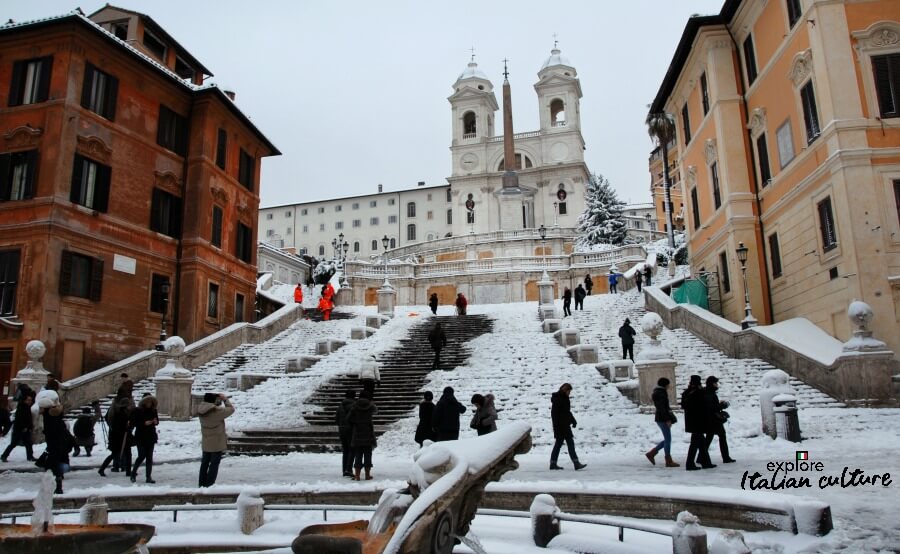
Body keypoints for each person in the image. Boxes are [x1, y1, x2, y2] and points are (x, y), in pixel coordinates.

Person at [38, 384, 70, 494]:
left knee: (51, 466)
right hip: (57, 445)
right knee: (53, 466)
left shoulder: (49, 418)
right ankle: (56, 484)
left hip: (54, 445)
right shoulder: (55, 416)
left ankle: (57, 486)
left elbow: (51, 432)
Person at [198, 393, 235, 487]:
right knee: (214, 464)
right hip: (216, 442)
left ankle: (201, 483)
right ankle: (209, 484)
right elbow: (231, 409)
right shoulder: (216, 412)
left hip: (206, 441)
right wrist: (225, 399)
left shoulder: (201, 409)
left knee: (204, 463)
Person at [98, 382, 135, 477]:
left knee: (122, 453)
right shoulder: (121, 413)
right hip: (120, 435)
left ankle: (127, 471)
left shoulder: (121, 410)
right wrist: (127, 427)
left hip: (120, 435)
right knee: (118, 453)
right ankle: (125, 470)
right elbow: (118, 423)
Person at [549, 383, 586, 470]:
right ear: (565, 390)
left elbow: (567, 412)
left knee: (559, 444)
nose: (569, 393)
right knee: (569, 443)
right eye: (569, 391)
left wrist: (573, 420)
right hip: (561, 426)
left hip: (564, 425)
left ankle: (553, 463)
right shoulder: (558, 399)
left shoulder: (563, 398)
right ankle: (576, 463)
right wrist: (558, 426)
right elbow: (554, 414)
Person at [681, 375, 714, 471]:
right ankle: (690, 463)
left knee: (702, 443)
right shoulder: (699, 393)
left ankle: (706, 462)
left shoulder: (687, 393)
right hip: (698, 421)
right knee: (695, 444)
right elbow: (704, 406)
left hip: (691, 421)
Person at [646, 378, 679, 467]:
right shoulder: (661, 394)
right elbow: (662, 408)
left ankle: (652, 453)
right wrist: (667, 419)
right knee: (668, 439)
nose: (669, 386)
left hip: (660, 418)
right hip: (662, 419)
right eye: (668, 384)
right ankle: (668, 460)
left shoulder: (659, 392)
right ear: (665, 385)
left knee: (667, 439)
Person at [703, 376, 735, 464]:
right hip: (713, 419)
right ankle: (725, 457)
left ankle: (701, 456)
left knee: (709, 437)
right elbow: (712, 408)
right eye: (715, 383)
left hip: (710, 419)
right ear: (712, 384)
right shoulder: (709, 393)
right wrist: (722, 405)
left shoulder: (708, 392)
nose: (717, 385)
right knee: (722, 436)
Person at [129, 395, 159, 483]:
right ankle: (133, 473)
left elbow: (157, 421)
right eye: (148, 402)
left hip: (151, 436)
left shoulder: (154, 411)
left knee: (149, 457)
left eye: (150, 402)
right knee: (141, 456)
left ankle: (148, 476)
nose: (149, 404)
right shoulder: (138, 411)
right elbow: (133, 422)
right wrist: (144, 423)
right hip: (141, 436)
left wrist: (155, 422)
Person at [349, 390, 377, 481]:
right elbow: (376, 411)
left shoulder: (354, 406)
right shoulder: (370, 406)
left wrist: (356, 422)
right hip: (368, 432)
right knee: (368, 454)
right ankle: (367, 475)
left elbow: (349, 418)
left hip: (357, 433)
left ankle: (357, 476)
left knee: (358, 454)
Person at [1, 392, 34, 462]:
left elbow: (29, 419)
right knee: (14, 443)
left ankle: (30, 456)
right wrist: (23, 427)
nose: (30, 401)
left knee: (28, 443)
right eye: (28, 400)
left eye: (30, 400)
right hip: (19, 429)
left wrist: (29, 427)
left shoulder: (27, 407)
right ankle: (4, 455)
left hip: (26, 429)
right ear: (24, 400)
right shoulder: (21, 407)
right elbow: (20, 419)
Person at [336, 390, 356, 477]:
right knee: (352, 450)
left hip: (342, 430)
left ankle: (344, 469)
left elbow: (336, 419)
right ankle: (349, 469)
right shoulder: (354, 406)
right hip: (351, 430)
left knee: (345, 451)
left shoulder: (340, 406)